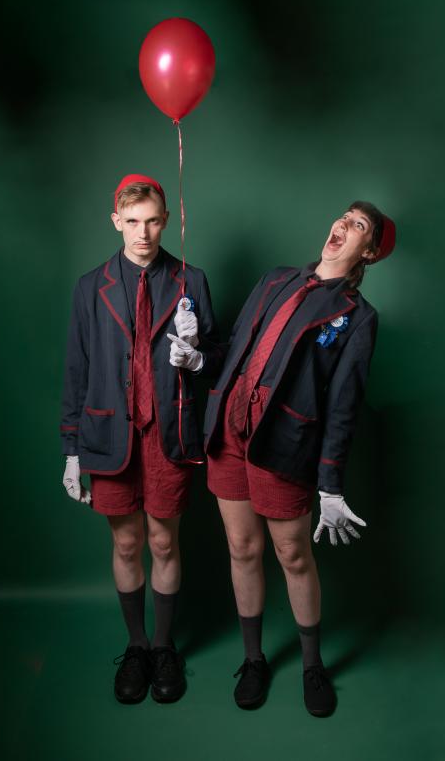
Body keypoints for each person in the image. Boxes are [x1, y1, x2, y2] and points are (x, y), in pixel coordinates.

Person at [173, 200, 395, 717]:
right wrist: (200, 357)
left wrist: (331, 484)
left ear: (371, 252)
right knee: (241, 546)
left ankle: (312, 665)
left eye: (359, 225)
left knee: (293, 556)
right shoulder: (275, 280)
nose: (342, 224)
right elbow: (235, 350)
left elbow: (344, 404)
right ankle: (254, 660)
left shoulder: (357, 317)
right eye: (343, 216)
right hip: (228, 431)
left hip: (284, 447)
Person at [60, 174, 221, 706]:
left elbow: (217, 360)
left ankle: (163, 644)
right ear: (116, 222)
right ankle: (135, 647)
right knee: (126, 542)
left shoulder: (190, 280)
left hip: (169, 432)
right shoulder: (91, 286)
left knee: (163, 541)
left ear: (165, 220)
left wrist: (195, 359)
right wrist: (70, 449)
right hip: (109, 431)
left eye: (152, 221)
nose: (143, 233)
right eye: (132, 222)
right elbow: (77, 369)